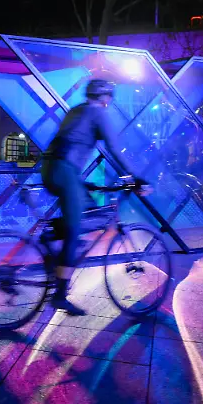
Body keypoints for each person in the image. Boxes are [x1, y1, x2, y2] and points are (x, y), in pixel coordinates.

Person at [41, 78, 137, 316]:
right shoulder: (98, 112)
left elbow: (70, 142)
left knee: (87, 212)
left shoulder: (76, 111)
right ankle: (60, 296)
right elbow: (114, 148)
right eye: (110, 98)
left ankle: (55, 242)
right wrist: (137, 177)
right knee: (74, 231)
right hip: (65, 172)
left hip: (51, 170)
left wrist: (80, 183)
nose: (110, 102)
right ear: (105, 97)